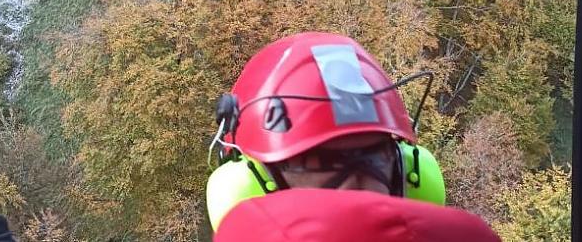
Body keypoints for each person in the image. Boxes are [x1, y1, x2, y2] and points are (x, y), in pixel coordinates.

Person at [206, 32, 500, 242]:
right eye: (318, 161)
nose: (361, 186)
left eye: (374, 155)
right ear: (411, 169)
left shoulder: (246, 232)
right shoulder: (475, 235)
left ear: (248, 185)